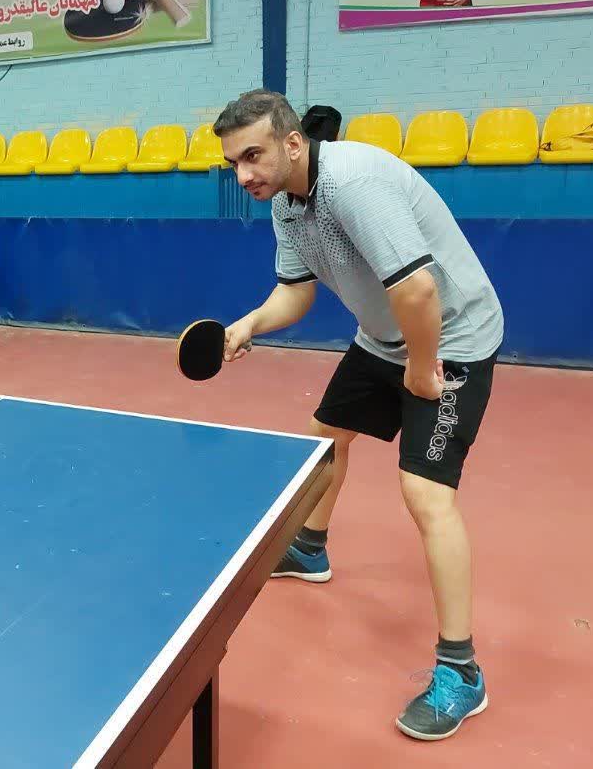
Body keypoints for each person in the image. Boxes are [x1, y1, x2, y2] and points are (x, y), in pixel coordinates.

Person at [213, 90, 504, 741]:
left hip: (451, 337)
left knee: (425, 492)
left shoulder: (355, 184)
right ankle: (310, 549)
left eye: (253, 155)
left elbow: (418, 290)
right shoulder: (285, 202)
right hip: (383, 336)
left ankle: (462, 671)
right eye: (234, 163)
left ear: (293, 143)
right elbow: (295, 293)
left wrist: (422, 368)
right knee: (324, 441)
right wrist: (250, 324)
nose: (244, 174)